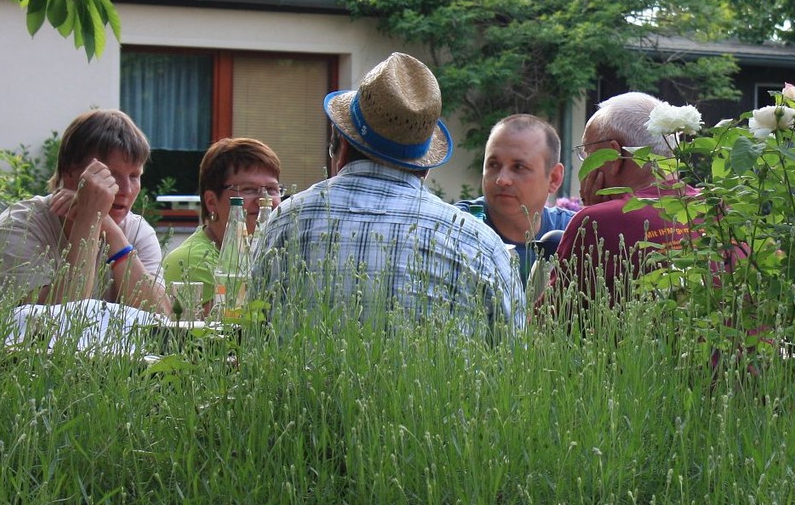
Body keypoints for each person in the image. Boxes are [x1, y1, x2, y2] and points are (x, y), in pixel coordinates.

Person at [250, 53, 524, 334]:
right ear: (423, 168)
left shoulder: (284, 222)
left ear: (340, 146)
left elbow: (252, 335)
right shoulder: (479, 244)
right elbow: (513, 359)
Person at [0, 108, 169, 314]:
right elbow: (56, 326)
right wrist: (89, 220)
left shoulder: (138, 231)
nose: (126, 189)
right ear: (69, 171)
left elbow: (161, 321)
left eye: (134, 176)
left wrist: (110, 231)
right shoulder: (18, 228)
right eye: (110, 175)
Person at [547, 92, 699, 306]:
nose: (584, 166)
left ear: (613, 156)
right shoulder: (721, 210)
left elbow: (548, 325)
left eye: (586, 153)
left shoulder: (596, 223)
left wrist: (600, 219)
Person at [160, 138, 283, 316]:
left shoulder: (271, 252)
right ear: (212, 202)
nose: (265, 199)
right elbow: (235, 334)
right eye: (248, 189)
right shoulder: (192, 261)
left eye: (272, 189)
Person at [456, 114, 574, 288]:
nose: (502, 179)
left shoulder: (575, 234)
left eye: (519, 167)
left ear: (554, 178)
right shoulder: (456, 229)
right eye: (493, 165)